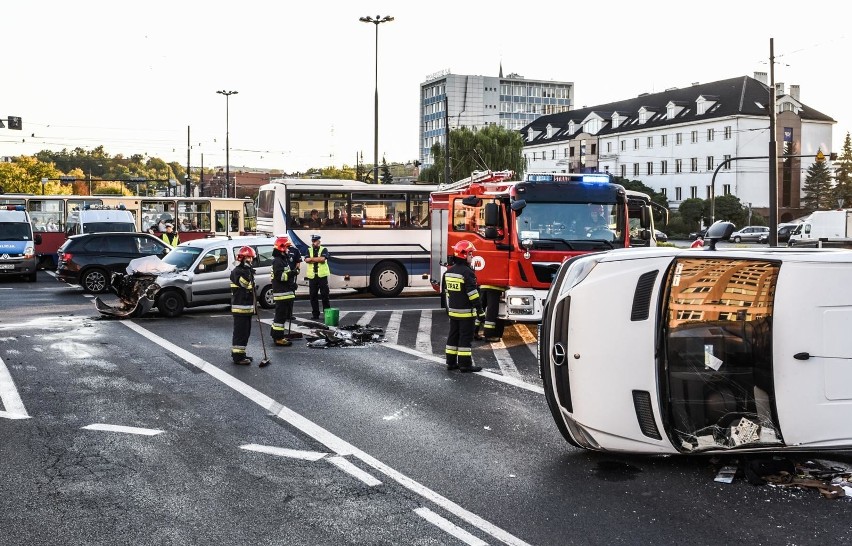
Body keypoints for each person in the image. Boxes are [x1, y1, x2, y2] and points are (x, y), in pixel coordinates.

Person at [443, 240, 485, 372]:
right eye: (470, 254)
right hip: (466, 314)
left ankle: (451, 363)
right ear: (463, 255)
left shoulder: (448, 273)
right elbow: (473, 294)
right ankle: (465, 365)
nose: (472, 257)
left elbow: (447, 293)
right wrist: (480, 311)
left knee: (452, 337)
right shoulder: (467, 273)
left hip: (453, 312)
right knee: (465, 339)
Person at [230, 246, 257, 365]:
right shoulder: (237, 271)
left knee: (245, 333)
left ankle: (242, 353)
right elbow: (244, 284)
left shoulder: (247, 270)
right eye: (249, 258)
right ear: (244, 258)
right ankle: (237, 357)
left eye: (251, 258)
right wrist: (248, 271)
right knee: (240, 333)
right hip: (240, 308)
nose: (251, 260)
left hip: (246, 308)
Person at [270, 236, 295, 347]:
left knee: (281, 317)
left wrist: (292, 285)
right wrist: (292, 274)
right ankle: (278, 338)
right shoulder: (278, 261)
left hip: (285, 292)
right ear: (281, 248)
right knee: (280, 317)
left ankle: (276, 335)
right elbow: (281, 277)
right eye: (287, 247)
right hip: (282, 294)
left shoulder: (282, 260)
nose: (288, 250)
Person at [305, 234, 330, 321]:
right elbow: (306, 260)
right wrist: (316, 259)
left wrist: (312, 259)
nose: (315, 242)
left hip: (322, 276)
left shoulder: (324, 249)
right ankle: (315, 314)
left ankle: (327, 315)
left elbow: (323, 259)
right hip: (313, 277)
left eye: (316, 241)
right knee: (313, 296)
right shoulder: (309, 250)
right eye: (314, 241)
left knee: (325, 296)